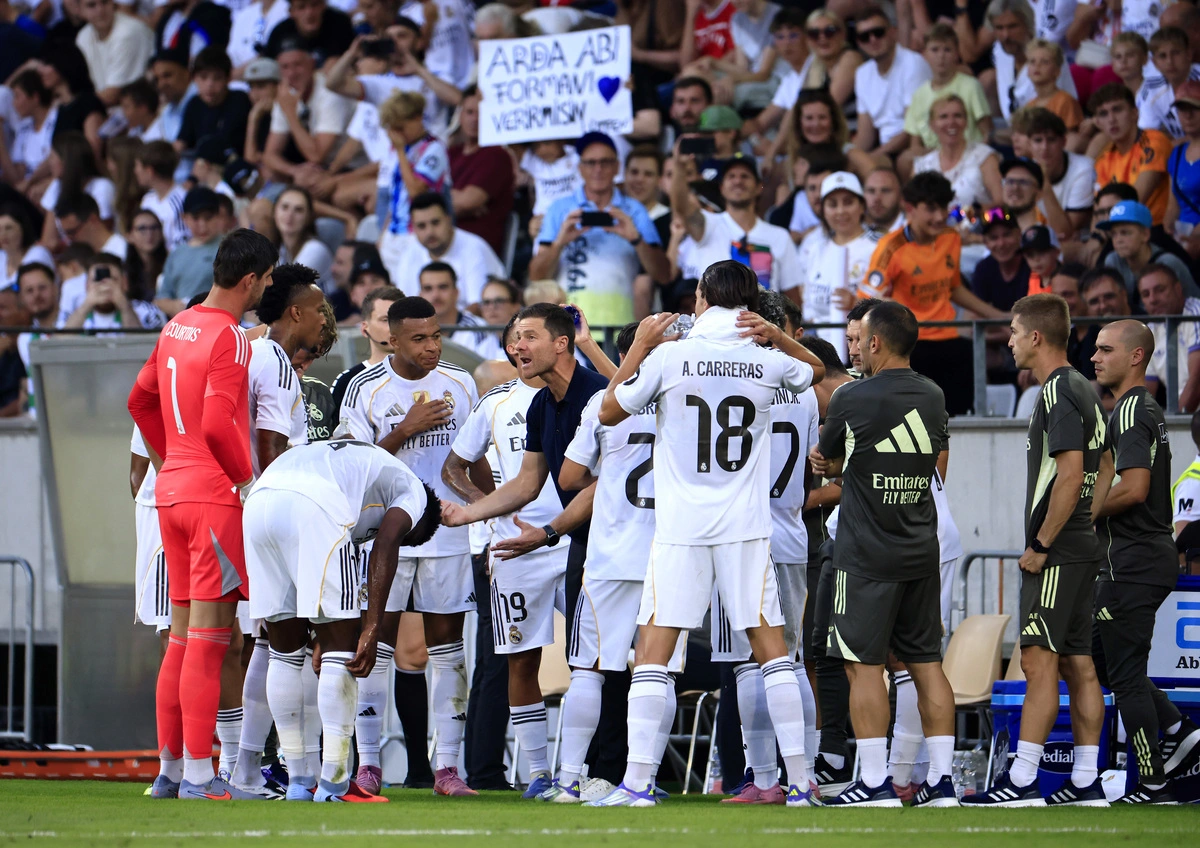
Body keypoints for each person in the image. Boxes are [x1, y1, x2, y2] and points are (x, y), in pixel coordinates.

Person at [581, 261, 823, 807]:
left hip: (681, 529)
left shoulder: (670, 355)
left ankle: (638, 782)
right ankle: (803, 783)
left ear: (699, 298)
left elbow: (609, 409)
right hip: (745, 527)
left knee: (654, 653)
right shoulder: (766, 359)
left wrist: (639, 346)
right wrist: (777, 334)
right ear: (751, 304)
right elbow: (815, 372)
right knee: (773, 654)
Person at [438, 304, 620, 791]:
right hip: (534, 542)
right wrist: (471, 512)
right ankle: (543, 775)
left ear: (561, 342)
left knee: (601, 660)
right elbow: (525, 482)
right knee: (521, 658)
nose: (516, 346)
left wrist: (549, 531)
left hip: (596, 542)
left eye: (529, 336)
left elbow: (601, 483)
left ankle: (608, 774)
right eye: (514, 338)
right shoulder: (536, 403)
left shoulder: (600, 396)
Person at [126, 228, 278, 800]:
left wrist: (172, 458)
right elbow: (217, 425)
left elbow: (139, 400)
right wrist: (246, 482)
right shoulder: (233, 338)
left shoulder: (175, 326)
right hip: (213, 496)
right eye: (266, 279)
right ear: (250, 280)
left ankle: (168, 772)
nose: (266, 287)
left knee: (182, 640)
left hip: (172, 493)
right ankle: (197, 774)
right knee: (211, 642)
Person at [808, 300, 957, 807]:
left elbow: (829, 462)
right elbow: (936, 457)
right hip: (920, 548)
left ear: (874, 342)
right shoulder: (935, 395)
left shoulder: (852, 396)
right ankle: (941, 781)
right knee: (926, 664)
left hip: (866, 554)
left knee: (863, 665)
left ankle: (873, 781)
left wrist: (828, 465)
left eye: (860, 339)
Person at [963, 293, 1109, 807]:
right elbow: (1106, 461)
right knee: (1078, 664)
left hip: (1056, 551)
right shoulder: (1085, 390)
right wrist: (1088, 521)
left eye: (1013, 331)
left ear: (1036, 337)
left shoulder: (1056, 392)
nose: (1008, 339)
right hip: (1079, 546)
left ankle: (1022, 779)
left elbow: (1071, 473)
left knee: (1038, 659)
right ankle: (1088, 780)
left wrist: (1043, 542)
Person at [337, 295, 484, 798]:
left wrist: (486, 511)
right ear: (391, 339)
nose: (431, 347)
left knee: (448, 650)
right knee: (376, 647)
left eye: (436, 335)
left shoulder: (461, 383)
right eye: (418, 339)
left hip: (447, 532)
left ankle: (447, 769)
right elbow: (353, 469)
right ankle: (370, 765)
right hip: (385, 537)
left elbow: (471, 461)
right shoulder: (365, 388)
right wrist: (404, 431)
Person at [242, 438, 441, 802]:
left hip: (258, 501)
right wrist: (372, 627)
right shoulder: (414, 490)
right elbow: (387, 541)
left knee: (283, 652)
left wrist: (323, 633)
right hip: (312, 505)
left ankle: (300, 780)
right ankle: (334, 782)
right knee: (342, 651)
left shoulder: (362, 468)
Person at [1091, 318, 1200, 804]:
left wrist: (1082, 510)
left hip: (1132, 560)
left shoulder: (1132, 409)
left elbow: (1134, 489)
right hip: (1139, 557)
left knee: (1126, 673)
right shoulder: (1138, 409)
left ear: (1136, 357)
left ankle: (1153, 781)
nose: (1095, 357)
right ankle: (1181, 731)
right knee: (1099, 660)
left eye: (1105, 349)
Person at [861, 172, 1006, 416]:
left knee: (957, 414)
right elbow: (868, 298)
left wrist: (999, 315)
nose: (939, 217)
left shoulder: (951, 238)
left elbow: (953, 287)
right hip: (910, 343)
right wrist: (904, 317)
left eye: (943, 208)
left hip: (947, 338)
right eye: (930, 209)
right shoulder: (891, 246)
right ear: (910, 208)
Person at [530, 132, 668, 327]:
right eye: (590, 162)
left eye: (605, 162)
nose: (598, 169)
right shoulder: (558, 209)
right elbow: (537, 276)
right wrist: (559, 243)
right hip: (569, 329)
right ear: (580, 168)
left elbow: (663, 275)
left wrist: (636, 240)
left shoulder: (635, 210)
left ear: (617, 167)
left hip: (622, 328)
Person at [671, 148, 797, 301]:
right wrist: (679, 166)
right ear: (721, 187)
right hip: (714, 321)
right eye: (731, 176)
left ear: (759, 187)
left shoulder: (779, 236)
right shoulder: (708, 224)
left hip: (762, 322)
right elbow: (681, 206)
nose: (738, 181)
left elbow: (793, 296)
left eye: (745, 176)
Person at [804, 172, 878, 359]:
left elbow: (890, 304)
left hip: (866, 351)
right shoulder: (815, 249)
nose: (840, 211)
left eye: (848, 202)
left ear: (862, 206)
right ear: (823, 210)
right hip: (819, 350)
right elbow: (807, 303)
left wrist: (856, 304)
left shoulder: (878, 247)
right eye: (832, 204)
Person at [386, 192, 505, 304]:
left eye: (435, 222)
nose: (430, 232)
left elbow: (478, 307)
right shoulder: (409, 254)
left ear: (448, 219)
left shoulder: (473, 248)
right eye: (421, 226)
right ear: (413, 228)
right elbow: (404, 305)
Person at [902, 24, 992, 168]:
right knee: (905, 159)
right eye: (935, 50)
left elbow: (986, 132)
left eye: (947, 50)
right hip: (933, 156)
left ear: (957, 54)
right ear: (924, 54)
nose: (941, 56)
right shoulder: (919, 94)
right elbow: (915, 144)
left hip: (967, 155)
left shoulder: (971, 86)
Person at [851, 5, 931, 160]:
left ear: (893, 32)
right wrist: (853, 156)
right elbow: (865, 136)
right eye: (865, 36)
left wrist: (873, 156)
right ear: (859, 43)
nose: (872, 39)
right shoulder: (862, 74)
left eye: (878, 33)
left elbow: (912, 129)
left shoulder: (913, 63)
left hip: (913, 145)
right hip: (884, 149)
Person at [1091, 83, 1174, 227]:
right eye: (1103, 114)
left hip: (1154, 229)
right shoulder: (1103, 160)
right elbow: (1100, 211)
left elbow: (1135, 199)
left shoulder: (1153, 141)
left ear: (1135, 113)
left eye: (1117, 110)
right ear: (1098, 123)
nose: (1111, 119)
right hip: (1121, 232)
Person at [448, 86, 514, 256]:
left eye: (482, 113)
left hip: (476, 250)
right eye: (469, 112)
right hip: (442, 245)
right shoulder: (450, 153)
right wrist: (453, 200)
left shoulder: (496, 155)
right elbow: (419, 196)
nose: (475, 119)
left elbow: (467, 202)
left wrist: (439, 196)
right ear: (460, 115)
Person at [912, 94, 1002, 212]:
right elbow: (911, 208)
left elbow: (1001, 202)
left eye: (957, 116)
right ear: (932, 125)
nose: (951, 122)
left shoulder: (984, 157)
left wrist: (968, 214)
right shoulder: (922, 165)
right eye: (943, 117)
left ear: (966, 122)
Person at [1099, 200, 1199, 304]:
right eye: (1114, 234)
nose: (1118, 240)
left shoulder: (1168, 263)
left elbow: (1195, 303)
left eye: (1125, 233)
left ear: (1145, 235)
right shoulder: (1113, 261)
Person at [329, 285, 400, 423]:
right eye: (385, 320)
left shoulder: (426, 375)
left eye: (399, 319)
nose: (394, 327)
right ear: (364, 328)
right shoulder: (348, 381)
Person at [1023, 108, 1095, 240]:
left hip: (1078, 242)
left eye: (1051, 140)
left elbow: (1065, 232)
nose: (1044, 147)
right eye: (1038, 140)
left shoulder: (1083, 169)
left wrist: (1044, 182)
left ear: (1064, 142)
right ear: (1029, 144)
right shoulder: (1024, 171)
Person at [1137, 264, 1200, 413]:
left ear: (1178, 289)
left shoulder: (1196, 314)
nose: (1153, 299)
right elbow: (1145, 392)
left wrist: (1173, 425)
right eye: (1146, 294)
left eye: (1160, 290)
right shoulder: (1150, 331)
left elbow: (1197, 384)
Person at [155, 188, 224, 317]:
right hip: (185, 326)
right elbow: (161, 298)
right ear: (185, 218)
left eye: (208, 218)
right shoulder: (176, 254)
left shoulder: (231, 248)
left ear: (218, 216)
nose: (202, 225)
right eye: (196, 218)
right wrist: (177, 306)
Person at [75, 0, 154, 106]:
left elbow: (112, 95)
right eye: (91, 5)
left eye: (105, 2)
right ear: (79, 11)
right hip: (109, 109)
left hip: (141, 106)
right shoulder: (83, 36)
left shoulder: (128, 32)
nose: (100, 10)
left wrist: (74, 108)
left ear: (113, 3)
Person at [177, 47, 251, 159]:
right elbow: (181, 143)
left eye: (217, 78)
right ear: (194, 78)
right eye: (203, 77)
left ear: (228, 78)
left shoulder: (240, 101)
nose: (210, 84)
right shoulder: (194, 104)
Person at [60, 252, 165, 331]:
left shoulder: (147, 312)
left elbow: (145, 349)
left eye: (112, 280)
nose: (104, 287)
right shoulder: (73, 314)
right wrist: (85, 307)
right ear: (86, 285)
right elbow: (58, 348)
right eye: (97, 280)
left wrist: (124, 307)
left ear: (125, 283)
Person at [417, 261, 492, 358]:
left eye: (443, 287)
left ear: (456, 292)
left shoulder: (478, 329)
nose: (435, 295)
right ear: (420, 295)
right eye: (428, 288)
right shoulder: (411, 331)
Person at [1137, 26, 1199, 140]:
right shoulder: (1150, 88)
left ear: (1189, 54)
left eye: (1176, 53)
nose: (1170, 61)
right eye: (1162, 56)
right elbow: (1146, 137)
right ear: (1154, 62)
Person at [272, 186, 333, 289]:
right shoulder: (282, 250)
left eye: (298, 210)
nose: (289, 215)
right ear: (274, 212)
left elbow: (287, 288)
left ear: (309, 217)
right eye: (285, 207)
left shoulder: (316, 250)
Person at [261, 0, 354, 67]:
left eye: (314, 5)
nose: (309, 13)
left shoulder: (340, 25)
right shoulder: (279, 33)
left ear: (323, 5)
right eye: (301, 7)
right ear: (291, 11)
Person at [1166, 80, 1200, 260]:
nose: (1187, 115)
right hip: (1183, 236)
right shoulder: (1177, 153)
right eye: (1182, 109)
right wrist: (1168, 231)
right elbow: (1173, 204)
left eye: (1194, 109)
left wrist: (1195, 236)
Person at [9, 69, 56, 196]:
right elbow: (18, 176)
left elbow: (57, 160)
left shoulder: (57, 119)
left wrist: (29, 183)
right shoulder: (23, 128)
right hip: (28, 191)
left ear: (35, 97)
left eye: (17, 96)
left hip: (51, 184)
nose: (14, 103)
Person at [135, 142, 189, 252]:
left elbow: (181, 248)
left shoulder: (181, 201)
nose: (135, 170)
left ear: (149, 171)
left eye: (137, 165)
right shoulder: (147, 199)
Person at [0, 207, 52, 291]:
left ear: (22, 229)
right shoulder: (1, 257)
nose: (3, 234)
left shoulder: (38, 253)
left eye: (8, 228)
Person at [864, 167, 904, 235]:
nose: (877, 198)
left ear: (901, 196)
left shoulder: (914, 231)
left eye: (885, 191)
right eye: (871, 191)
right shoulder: (853, 231)